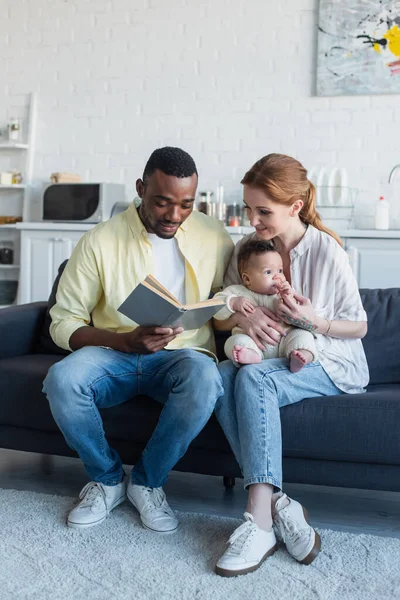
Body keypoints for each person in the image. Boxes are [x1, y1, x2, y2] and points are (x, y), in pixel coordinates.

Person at [43, 146, 234, 532]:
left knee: (206, 380)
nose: (174, 216)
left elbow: (227, 299)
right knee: (62, 380)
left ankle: (147, 483)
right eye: (163, 203)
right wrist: (125, 342)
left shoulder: (213, 234)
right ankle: (107, 480)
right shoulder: (99, 240)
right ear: (140, 188)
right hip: (114, 353)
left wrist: (238, 308)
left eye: (185, 204)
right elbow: (63, 322)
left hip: (182, 356)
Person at [213, 153, 369, 577]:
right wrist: (242, 314)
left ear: (295, 206)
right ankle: (281, 504)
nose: (254, 219)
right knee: (221, 375)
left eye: (263, 211)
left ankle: (258, 520)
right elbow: (221, 310)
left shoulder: (326, 251)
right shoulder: (248, 249)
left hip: (326, 358)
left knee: (254, 380)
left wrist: (313, 320)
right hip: (266, 354)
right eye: (249, 208)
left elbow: (359, 327)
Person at [213, 237, 317, 372]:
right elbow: (216, 308)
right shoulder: (237, 292)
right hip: (253, 341)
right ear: (247, 279)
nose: (277, 277)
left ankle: (300, 356)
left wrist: (288, 298)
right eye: (268, 272)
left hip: (284, 341)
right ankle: (250, 356)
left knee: (303, 335)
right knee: (233, 342)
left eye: (280, 271)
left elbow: (299, 315)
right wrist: (232, 302)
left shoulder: (285, 292)